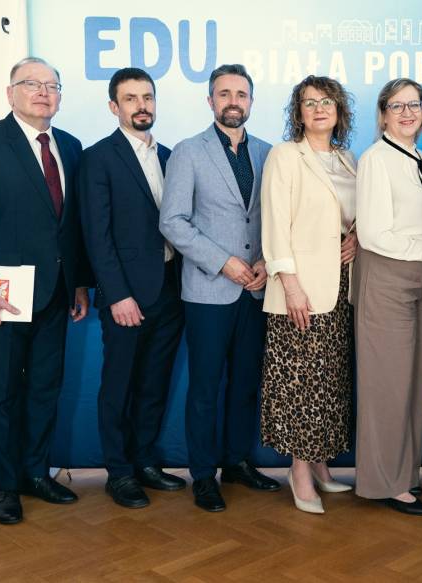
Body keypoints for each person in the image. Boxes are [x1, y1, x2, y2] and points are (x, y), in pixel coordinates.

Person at [0, 57, 92, 524]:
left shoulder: (69, 146)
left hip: (56, 294)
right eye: (32, 83)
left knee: (45, 389)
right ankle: (6, 486)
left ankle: (36, 472)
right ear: (10, 93)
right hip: (2, 297)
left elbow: (71, 227)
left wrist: (79, 283)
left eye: (52, 85)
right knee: (3, 392)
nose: (43, 92)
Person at [160, 64, 279, 512]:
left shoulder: (269, 154)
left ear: (251, 101)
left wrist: (266, 261)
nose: (233, 101)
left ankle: (237, 462)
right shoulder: (188, 152)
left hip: (257, 289)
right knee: (206, 387)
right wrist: (222, 262)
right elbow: (172, 221)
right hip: (209, 290)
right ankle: (203, 474)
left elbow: (275, 218)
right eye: (224, 93)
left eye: (241, 94)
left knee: (245, 383)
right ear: (210, 101)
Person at [79, 67, 186, 509]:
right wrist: (117, 295)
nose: (141, 106)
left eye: (147, 97)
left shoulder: (171, 157)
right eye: (130, 98)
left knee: (154, 383)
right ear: (114, 106)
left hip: (171, 290)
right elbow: (97, 235)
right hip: (127, 296)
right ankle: (119, 472)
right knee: (119, 386)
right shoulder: (98, 158)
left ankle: (144, 462)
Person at [353, 78, 422, 516]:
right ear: (382, 115)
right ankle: (385, 483)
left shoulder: (420, 157)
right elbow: (374, 235)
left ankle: (405, 473)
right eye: (397, 106)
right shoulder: (376, 159)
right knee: (388, 384)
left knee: (416, 380)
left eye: (415, 105)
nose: (407, 113)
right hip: (389, 277)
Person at [260, 75, 358, 514]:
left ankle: (319, 463)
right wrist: (290, 283)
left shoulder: (347, 159)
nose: (319, 109)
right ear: (298, 113)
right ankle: (298, 471)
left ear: (339, 111)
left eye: (327, 102)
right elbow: (275, 222)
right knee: (301, 384)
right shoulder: (285, 156)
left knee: (330, 380)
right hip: (299, 290)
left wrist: (356, 237)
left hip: (341, 286)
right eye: (309, 102)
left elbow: (354, 215)